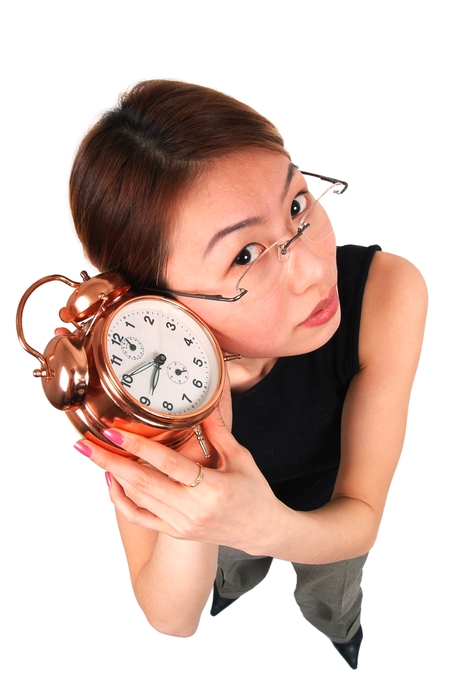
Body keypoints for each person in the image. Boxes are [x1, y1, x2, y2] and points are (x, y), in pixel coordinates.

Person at [71, 79, 427, 669]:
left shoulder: (388, 292)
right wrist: (204, 482)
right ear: (156, 303)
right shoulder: (136, 388)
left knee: (332, 590)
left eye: (296, 205)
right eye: (244, 254)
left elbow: (359, 516)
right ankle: (235, 587)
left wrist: (269, 527)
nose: (315, 270)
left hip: (331, 508)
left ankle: (338, 629)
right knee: (228, 568)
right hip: (229, 520)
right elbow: (170, 617)